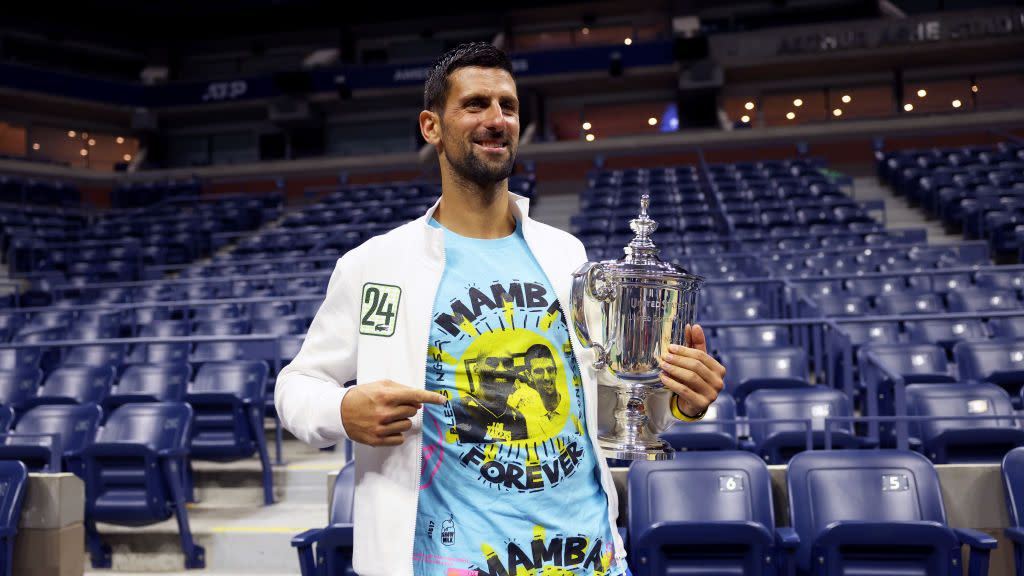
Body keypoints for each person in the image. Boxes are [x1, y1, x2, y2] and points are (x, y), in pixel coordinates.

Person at [275, 42, 726, 576]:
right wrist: (341, 412)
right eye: (475, 105)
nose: (496, 120)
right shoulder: (374, 265)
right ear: (431, 127)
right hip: (449, 562)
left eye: (507, 107)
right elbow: (297, 384)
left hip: (585, 558)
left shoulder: (567, 257)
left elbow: (594, 409)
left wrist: (679, 402)